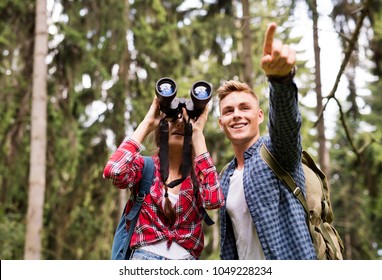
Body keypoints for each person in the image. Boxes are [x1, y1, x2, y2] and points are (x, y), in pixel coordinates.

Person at [217, 22, 316, 260]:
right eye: (228, 111)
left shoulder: (276, 151)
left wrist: (280, 81)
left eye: (244, 107)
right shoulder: (225, 178)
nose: (237, 115)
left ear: (259, 115)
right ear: (221, 123)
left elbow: (286, 125)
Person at [103, 96, 224, 260]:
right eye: (173, 119)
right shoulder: (145, 167)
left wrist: (197, 134)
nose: (180, 123)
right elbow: (114, 171)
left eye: (185, 121)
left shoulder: (198, 176)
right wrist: (147, 123)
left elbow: (214, 201)